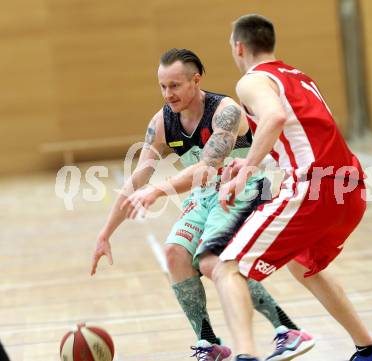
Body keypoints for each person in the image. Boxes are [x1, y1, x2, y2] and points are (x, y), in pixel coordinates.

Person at [91, 48, 315, 361]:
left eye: (175, 85)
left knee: (215, 262)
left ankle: (287, 329)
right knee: (175, 253)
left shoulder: (225, 111)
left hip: (247, 187)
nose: (168, 94)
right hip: (206, 194)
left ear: (196, 80)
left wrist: (159, 190)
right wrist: (105, 233)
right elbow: (136, 180)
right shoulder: (161, 122)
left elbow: (208, 166)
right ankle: (208, 343)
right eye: (163, 86)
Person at [209, 14, 372, 361]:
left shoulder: (252, 80)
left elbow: (275, 119)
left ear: (239, 47)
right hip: (350, 189)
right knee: (304, 264)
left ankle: (245, 355)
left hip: (316, 188)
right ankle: (369, 350)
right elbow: (297, 133)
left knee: (227, 267)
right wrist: (256, 161)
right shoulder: (298, 77)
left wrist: (246, 171)